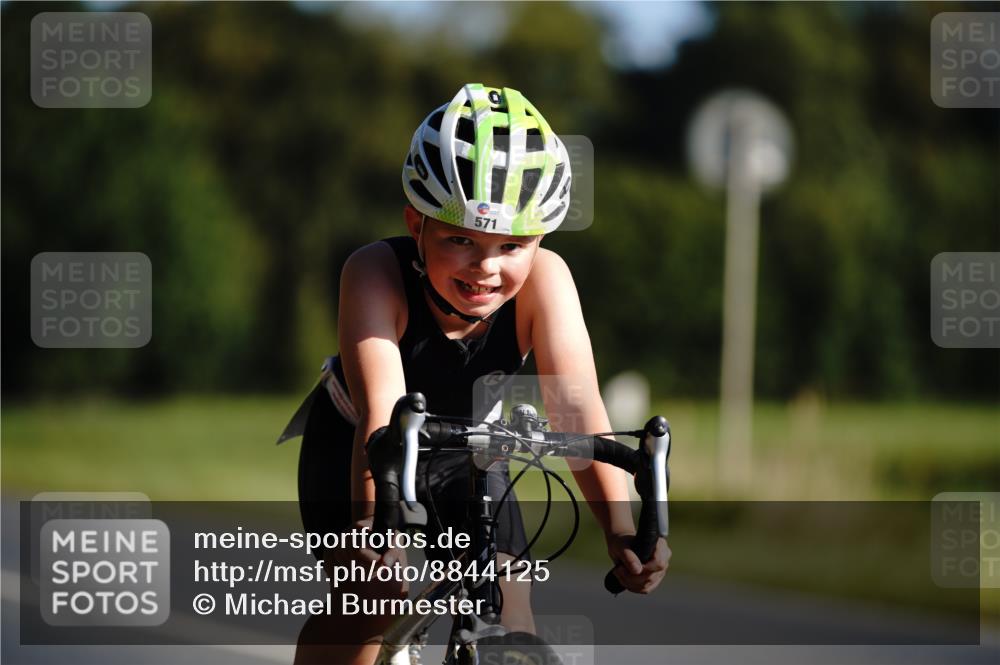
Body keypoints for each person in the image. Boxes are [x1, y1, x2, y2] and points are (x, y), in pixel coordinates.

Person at [292, 83, 670, 665]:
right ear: (416, 225)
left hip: (471, 451)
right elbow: (382, 416)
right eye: (460, 239)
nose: (486, 269)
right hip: (359, 442)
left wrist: (621, 532)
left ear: (540, 240)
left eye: (513, 244)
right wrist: (377, 534)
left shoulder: (548, 280)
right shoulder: (373, 272)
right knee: (373, 604)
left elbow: (577, 411)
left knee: (510, 616)